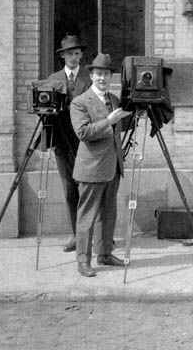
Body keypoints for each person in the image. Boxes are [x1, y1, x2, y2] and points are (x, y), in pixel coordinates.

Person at [69, 53, 130, 277]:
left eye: (106, 74)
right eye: (98, 74)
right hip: (91, 168)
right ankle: (83, 261)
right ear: (92, 76)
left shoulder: (114, 100)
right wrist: (109, 121)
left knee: (109, 214)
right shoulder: (80, 102)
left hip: (112, 167)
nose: (102, 78)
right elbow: (83, 132)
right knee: (87, 217)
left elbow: (119, 129)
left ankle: (104, 254)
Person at [46, 34, 91, 252]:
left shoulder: (89, 78)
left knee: (91, 188)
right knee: (70, 190)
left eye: (77, 53)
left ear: (81, 54)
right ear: (62, 56)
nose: (74, 58)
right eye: (69, 54)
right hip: (63, 144)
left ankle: (98, 236)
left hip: (87, 144)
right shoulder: (53, 79)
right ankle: (76, 236)